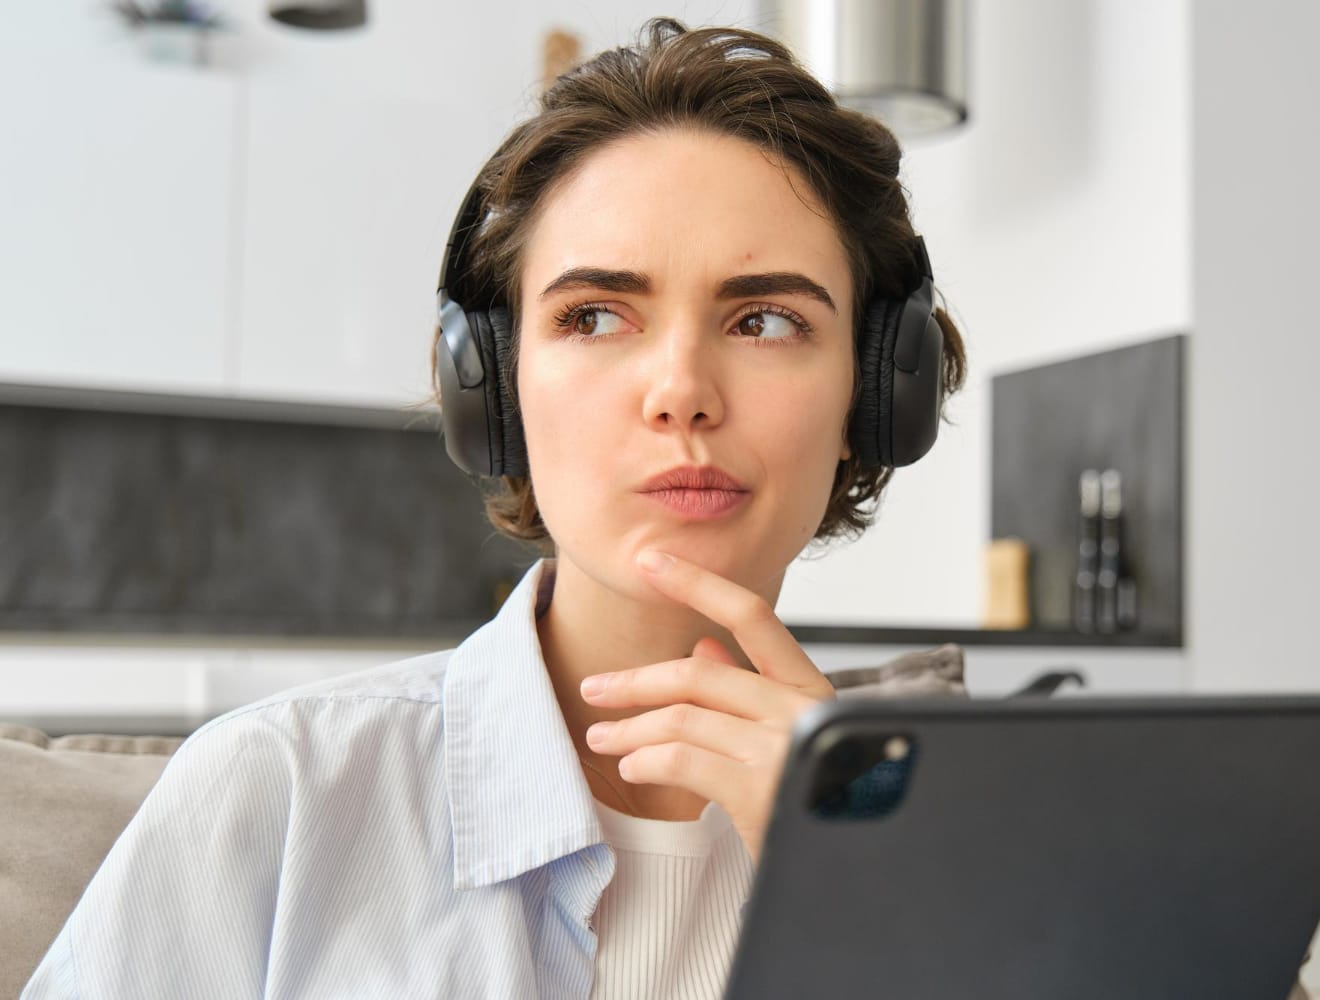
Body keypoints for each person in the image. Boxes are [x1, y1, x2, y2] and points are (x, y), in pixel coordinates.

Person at [23, 17, 966, 999]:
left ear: (872, 394)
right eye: (594, 315)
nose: (681, 390)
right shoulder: (276, 794)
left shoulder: (960, 848)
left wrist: (862, 896)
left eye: (765, 319)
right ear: (495, 391)